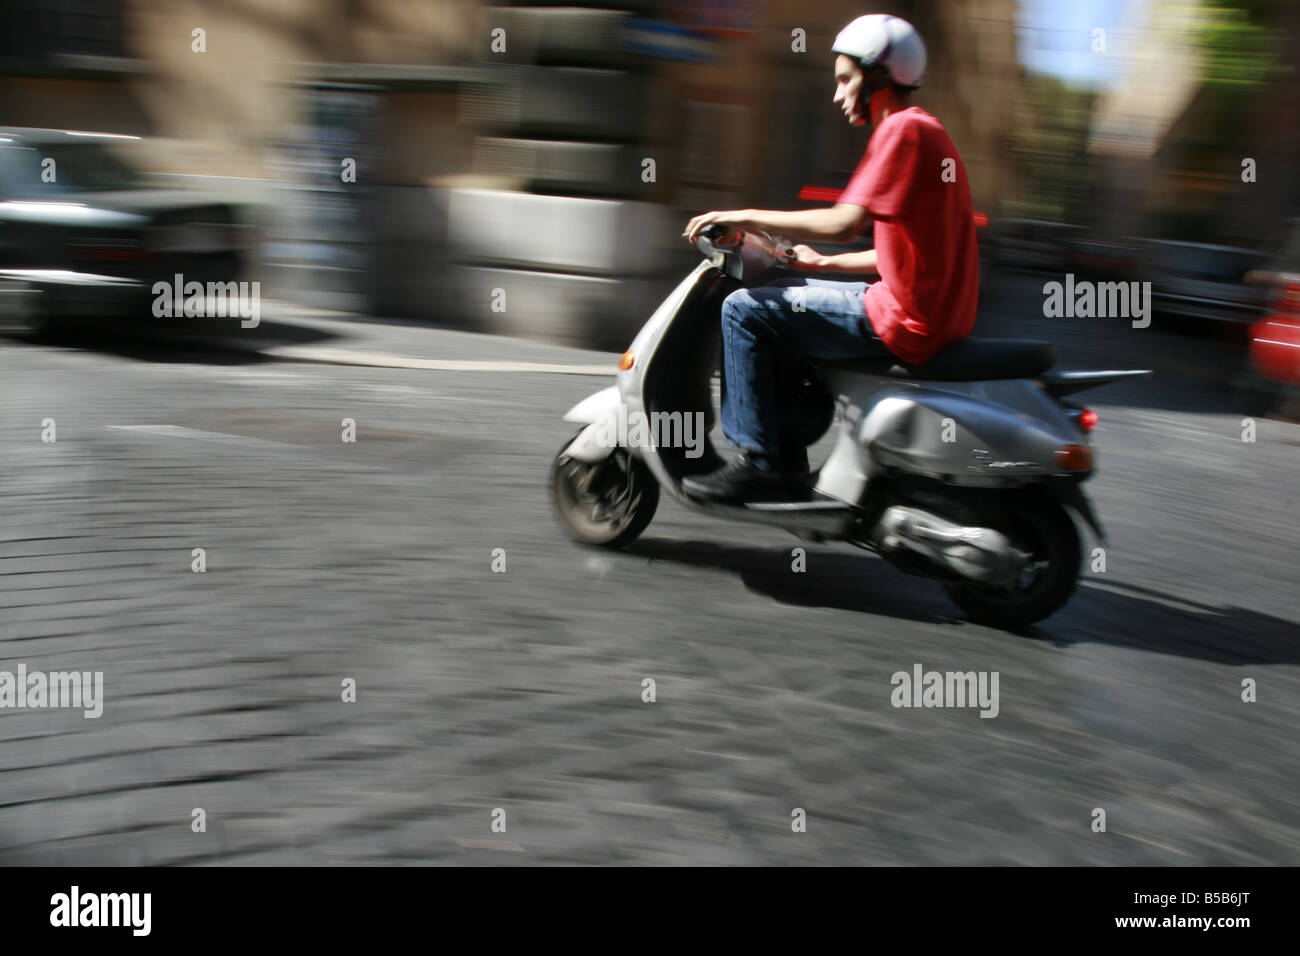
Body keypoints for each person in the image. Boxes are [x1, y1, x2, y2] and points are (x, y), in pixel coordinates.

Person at [681, 13, 980, 503]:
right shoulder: (926, 131)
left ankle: (763, 462)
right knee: (786, 296)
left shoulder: (902, 131)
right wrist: (817, 265)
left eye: (846, 79)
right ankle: (786, 448)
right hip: (925, 309)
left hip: (908, 318)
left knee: (743, 310)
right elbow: (892, 257)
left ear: (879, 76)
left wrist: (746, 214)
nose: (839, 94)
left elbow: (845, 222)